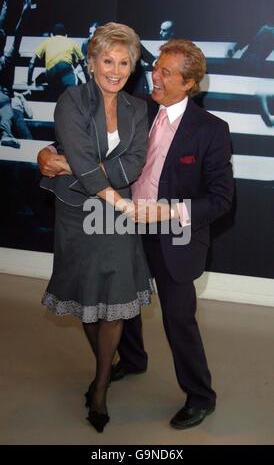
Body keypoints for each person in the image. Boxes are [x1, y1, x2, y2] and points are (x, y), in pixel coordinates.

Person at [38, 39, 234, 430]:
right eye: (155, 67)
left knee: (179, 318)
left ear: (190, 82)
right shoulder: (137, 108)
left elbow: (221, 199)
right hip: (121, 223)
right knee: (122, 299)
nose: (153, 76)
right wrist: (45, 152)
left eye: (164, 72)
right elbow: (85, 144)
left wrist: (169, 211)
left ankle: (200, 396)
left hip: (173, 233)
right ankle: (132, 359)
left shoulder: (211, 130)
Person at [38, 22, 153, 433]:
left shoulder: (138, 109)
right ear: (91, 63)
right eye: (107, 60)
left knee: (116, 295)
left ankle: (101, 386)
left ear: (133, 67)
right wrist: (98, 180)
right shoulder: (71, 100)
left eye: (124, 62)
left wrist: (74, 165)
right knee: (87, 298)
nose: (115, 70)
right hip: (77, 211)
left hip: (115, 216)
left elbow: (133, 163)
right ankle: (106, 364)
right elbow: (88, 163)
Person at [27, 23, 89, 100]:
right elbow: (84, 64)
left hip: (51, 75)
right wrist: (88, 82)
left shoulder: (47, 41)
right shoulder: (71, 42)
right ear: (66, 35)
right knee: (78, 84)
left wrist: (29, 81)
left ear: (52, 35)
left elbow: (32, 62)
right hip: (65, 70)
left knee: (43, 77)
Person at [0, 0, 31, 148]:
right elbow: (17, 35)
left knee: (6, 109)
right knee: (6, 109)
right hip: (4, 98)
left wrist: (6, 2)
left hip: (3, 99)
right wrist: (25, 12)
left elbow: (1, 29)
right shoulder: (8, 60)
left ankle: (6, 134)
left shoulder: (6, 60)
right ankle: (6, 134)